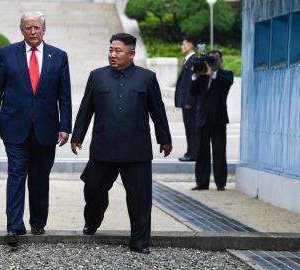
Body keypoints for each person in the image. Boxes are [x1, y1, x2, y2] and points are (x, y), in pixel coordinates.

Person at [71, 33, 172, 254]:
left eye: (118, 51)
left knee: (140, 198)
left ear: (131, 54)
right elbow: (86, 108)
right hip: (103, 148)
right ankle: (93, 220)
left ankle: (139, 242)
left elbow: (158, 111)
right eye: (110, 50)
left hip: (136, 150)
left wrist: (164, 139)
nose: (112, 55)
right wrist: (77, 136)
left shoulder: (147, 78)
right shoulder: (97, 77)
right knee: (93, 189)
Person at [0, 11, 72, 246]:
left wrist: (65, 126)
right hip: (14, 126)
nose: (33, 32)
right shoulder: (6, 54)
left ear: (44, 29)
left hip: (46, 128)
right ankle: (13, 226)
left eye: (37, 28)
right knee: (16, 174)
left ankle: (37, 222)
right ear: (21, 29)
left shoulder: (59, 56)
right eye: (28, 28)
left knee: (40, 176)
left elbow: (64, 96)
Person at [190, 50, 233, 191]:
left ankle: (220, 183)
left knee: (219, 151)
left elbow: (225, 84)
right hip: (203, 118)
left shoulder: (225, 75)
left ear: (221, 60)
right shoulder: (201, 75)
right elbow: (192, 92)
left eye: (215, 59)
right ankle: (202, 183)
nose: (213, 62)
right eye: (211, 59)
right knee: (202, 151)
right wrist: (196, 75)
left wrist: (212, 73)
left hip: (218, 119)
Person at [175, 38, 198, 162]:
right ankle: (190, 151)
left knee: (192, 128)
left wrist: (189, 100)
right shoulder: (188, 60)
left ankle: (193, 153)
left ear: (190, 45)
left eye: (183, 44)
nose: (182, 46)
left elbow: (192, 82)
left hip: (190, 103)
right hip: (186, 102)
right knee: (189, 128)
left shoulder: (193, 60)